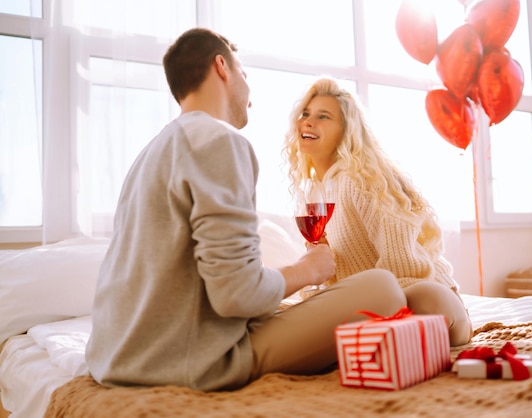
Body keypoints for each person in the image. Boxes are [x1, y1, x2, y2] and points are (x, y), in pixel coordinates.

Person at [85, 28, 407, 392]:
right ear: (222, 67)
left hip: (115, 357)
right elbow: (237, 295)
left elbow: (212, 281)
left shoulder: (150, 154)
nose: (249, 95)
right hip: (182, 363)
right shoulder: (220, 141)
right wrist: (309, 269)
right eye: (245, 75)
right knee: (383, 288)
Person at [283, 76, 473, 346]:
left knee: (424, 301)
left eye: (324, 116)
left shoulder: (361, 179)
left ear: (346, 131)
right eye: (306, 114)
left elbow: (404, 269)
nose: (309, 122)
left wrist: (359, 303)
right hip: (376, 305)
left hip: (421, 296)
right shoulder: (319, 190)